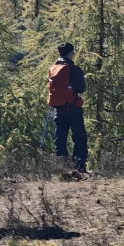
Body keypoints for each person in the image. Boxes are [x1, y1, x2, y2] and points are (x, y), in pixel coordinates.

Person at [47, 41, 88, 172]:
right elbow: (82, 89)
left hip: (58, 110)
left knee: (60, 139)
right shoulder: (75, 70)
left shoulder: (53, 69)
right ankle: (79, 167)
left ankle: (62, 169)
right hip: (74, 109)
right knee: (79, 138)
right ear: (71, 53)